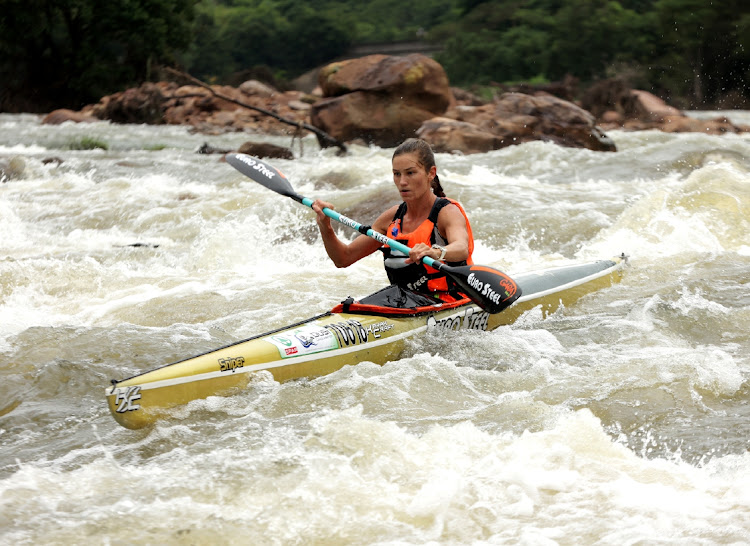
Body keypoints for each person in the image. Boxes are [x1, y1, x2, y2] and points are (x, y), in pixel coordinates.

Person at [311, 138, 475, 302]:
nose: (402, 182)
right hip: (405, 303)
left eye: (410, 173)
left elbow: (461, 248)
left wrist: (436, 252)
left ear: (431, 173)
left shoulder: (447, 212)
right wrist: (325, 227)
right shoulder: (392, 218)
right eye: (397, 174)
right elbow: (343, 258)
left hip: (451, 301)